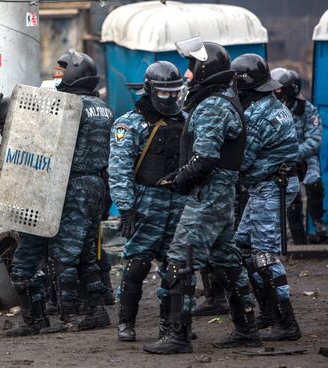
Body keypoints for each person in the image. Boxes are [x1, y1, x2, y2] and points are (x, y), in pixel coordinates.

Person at [143, 39, 261, 354]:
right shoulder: (222, 100)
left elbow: (205, 157)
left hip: (209, 195)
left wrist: (181, 179)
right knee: (226, 260)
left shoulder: (213, 105)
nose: (187, 73)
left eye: (192, 67)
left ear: (205, 69)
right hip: (220, 193)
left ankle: (178, 337)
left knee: (180, 259)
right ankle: (247, 328)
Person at [0, 50, 113, 336]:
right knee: (82, 253)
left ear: (74, 74)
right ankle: (91, 311)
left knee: (63, 255)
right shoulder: (101, 106)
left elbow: (35, 149)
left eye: (61, 71)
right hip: (93, 186)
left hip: (66, 185)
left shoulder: (71, 107)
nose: (57, 76)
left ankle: (66, 317)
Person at [108, 61, 187, 342]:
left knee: (175, 266)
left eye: (174, 93)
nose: (170, 98)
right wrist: (126, 207)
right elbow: (119, 168)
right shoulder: (129, 123)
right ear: (150, 90)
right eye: (164, 93)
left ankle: (171, 325)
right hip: (146, 201)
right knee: (137, 263)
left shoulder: (186, 120)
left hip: (178, 202)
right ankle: (126, 323)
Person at [232, 55, 302, 341]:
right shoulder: (274, 106)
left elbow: (243, 160)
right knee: (243, 245)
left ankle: (287, 323)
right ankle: (268, 312)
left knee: (264, 254)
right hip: (272, 185)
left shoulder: (257, 115)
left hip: (271, 187)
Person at [271, 67, 326, 244]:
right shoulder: (270, 111)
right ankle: (298, 239)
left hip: (304, 158)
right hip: (282, 161)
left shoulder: (307, 109)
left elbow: (315, 139)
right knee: (290, 194)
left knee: (314, 183)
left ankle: (318, 223)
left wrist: (294, 153)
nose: (275, 93)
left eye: (278, 89)